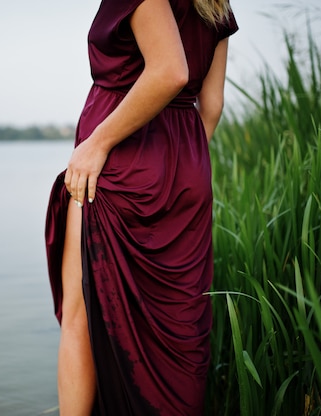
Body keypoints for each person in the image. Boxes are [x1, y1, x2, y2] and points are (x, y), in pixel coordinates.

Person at [45, 0, 238, 414]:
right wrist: (179, 164)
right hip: (186, 168)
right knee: (178, 324)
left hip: (119, 170)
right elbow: (213, 104)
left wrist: (96, 144)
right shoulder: (216, 3)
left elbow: (170, 71)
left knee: (82, 316)